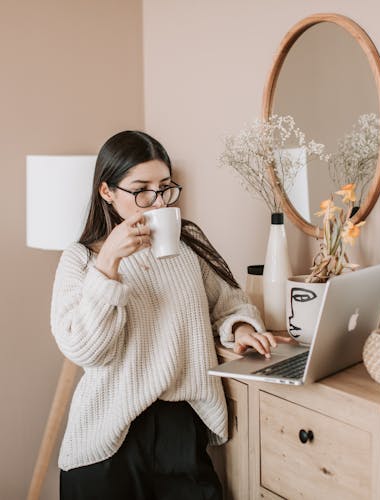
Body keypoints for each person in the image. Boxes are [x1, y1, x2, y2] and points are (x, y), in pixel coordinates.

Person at [51, 130, 291, 499]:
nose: (157, 201)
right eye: (141, 189)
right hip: (109, 435)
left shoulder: (187, 243)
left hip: (182, 425)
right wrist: (109, 264)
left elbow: (229, 302)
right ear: (107, 192)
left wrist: (241, 327)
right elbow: (86, 351)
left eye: (165, 187)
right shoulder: (81, 259)